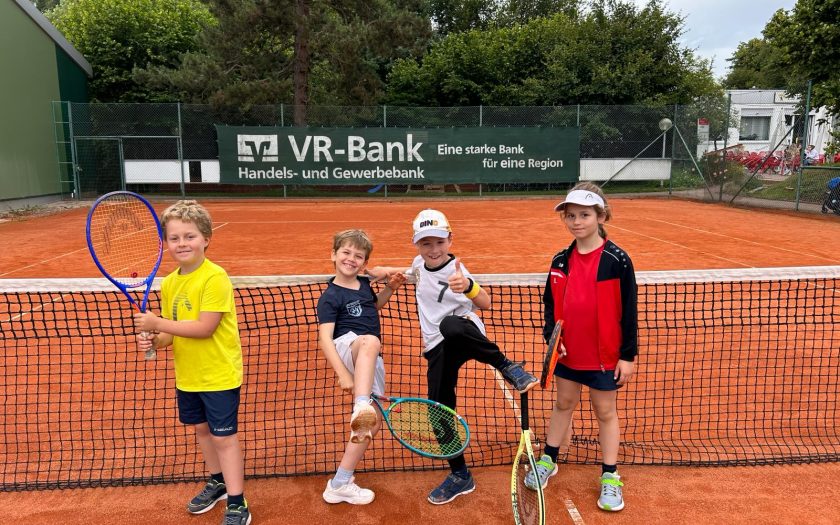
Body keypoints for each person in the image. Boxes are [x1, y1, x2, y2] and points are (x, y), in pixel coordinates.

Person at [369, 209, 539, 505]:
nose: (433, 249)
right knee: (438, 409)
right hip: (436, 348)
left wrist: (468, 287)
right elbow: (414, 272)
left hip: (463, 333)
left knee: (450, 324)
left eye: (439, 242)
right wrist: (383, 270)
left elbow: (485, 303)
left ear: (450, 240)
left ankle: (507, 366)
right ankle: (460, 474)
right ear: (417, 244)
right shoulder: (418, 264)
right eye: (426, 243)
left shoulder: (458, 271)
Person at [134, 200, 251, 525]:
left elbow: (204, 328)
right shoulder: (170, 283)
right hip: (188, 375)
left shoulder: (215, 277)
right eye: (174, 238)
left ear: (206, 238)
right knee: (202, 430)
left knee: (223, 437)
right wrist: (154, 339)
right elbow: (172, 332)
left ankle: (237, 502)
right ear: (165, 243)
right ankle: (218, 482)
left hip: (218, 374)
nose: (182, 243)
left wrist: (156, 323)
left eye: (190, 236)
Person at [525, 182, 638, 512]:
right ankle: (549, 459)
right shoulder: (560, 260)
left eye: (584, 215)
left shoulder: (617, 260)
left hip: (604, 357)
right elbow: (550, 304)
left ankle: (610, 475)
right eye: (571, 215)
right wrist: (552, 338)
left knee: (605, 412)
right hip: (568, 354)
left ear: (601, 216)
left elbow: (629, 311)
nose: (576, 221)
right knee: (563, 404)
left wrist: (627, 356)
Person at [317, 229, 406, 505]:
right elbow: (325, 339)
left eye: (358, 256)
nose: (351, 259)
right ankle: (361, 404)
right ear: (333, 255)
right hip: (349, 346)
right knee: (370, 341)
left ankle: (340, 482)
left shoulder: (365, 284)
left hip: (370, 358)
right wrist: (343, 374)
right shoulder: (330, 296)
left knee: (371, 423)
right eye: (345, 252)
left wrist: (389, 287)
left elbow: (373, 306)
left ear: (365, 263)